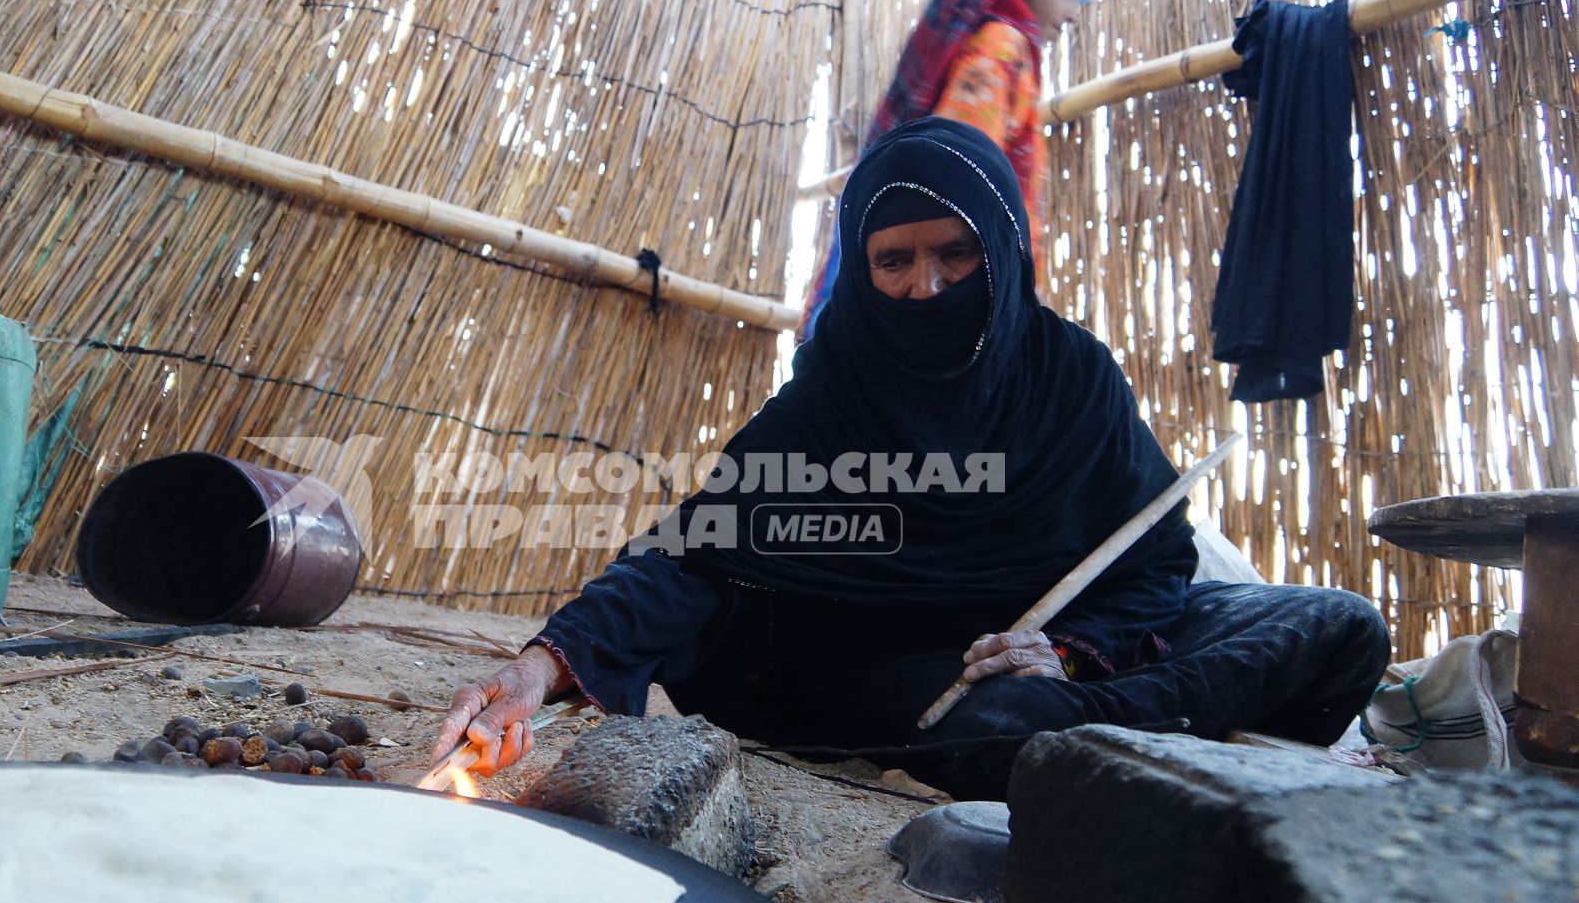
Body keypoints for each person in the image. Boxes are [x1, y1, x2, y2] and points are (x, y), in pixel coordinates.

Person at [431, 118, 1389, 800]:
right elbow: (695, 558)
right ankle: (1158, 734)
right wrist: (539, 669)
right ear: (862, 266)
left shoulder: (1072, 380)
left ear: (1001, 254)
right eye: (892, 261)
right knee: (986, 732)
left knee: (1340, 628)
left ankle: (1111, 725)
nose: (923, 287)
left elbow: (1153, 560)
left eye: (954, 255)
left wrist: (1063, 652)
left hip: (1082, 649)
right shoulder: (826, 407)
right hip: (917, 670)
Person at [802, 0, 1109, 336]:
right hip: (936, 289)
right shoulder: (1001, 49)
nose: (1075, 13)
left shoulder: (994, 47)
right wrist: (1002, 289)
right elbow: (958, 184)